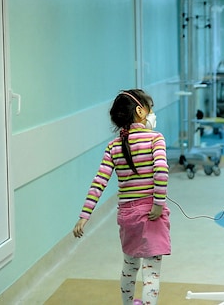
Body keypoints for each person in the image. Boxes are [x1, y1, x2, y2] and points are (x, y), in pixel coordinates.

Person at [72, 89, 170, 305]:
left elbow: (99, 182)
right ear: (140, 111)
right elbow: (161, 171)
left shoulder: (114, 146)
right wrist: (158, 204)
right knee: (151, 272)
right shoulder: (155, 139)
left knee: (130, 266)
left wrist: (84, 215)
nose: (152, 112)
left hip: (128, 216)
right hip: (150, 214)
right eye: (150, 108)